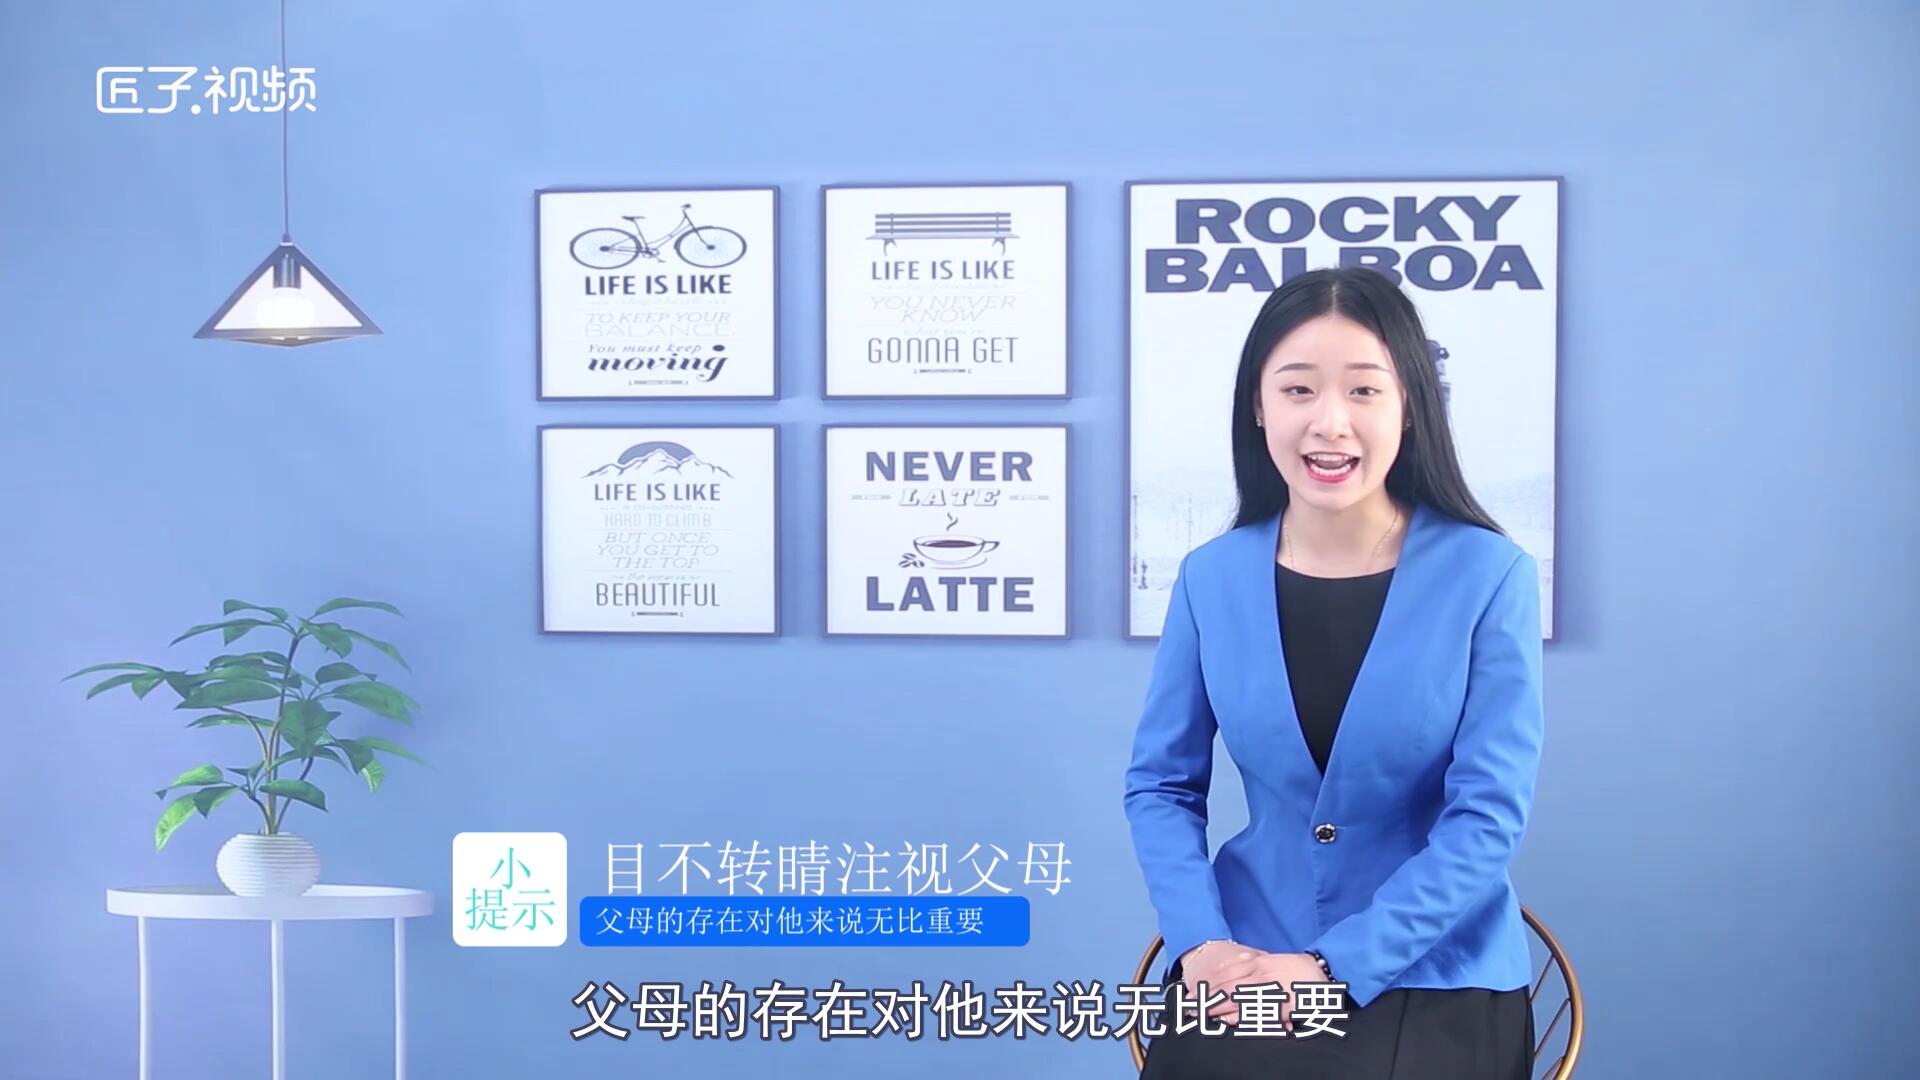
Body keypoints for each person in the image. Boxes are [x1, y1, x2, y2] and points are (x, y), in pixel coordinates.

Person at [1123, 266, 1545, 1078]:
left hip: (1434, 970)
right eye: (1298, 390)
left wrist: (1330, 969)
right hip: (1244, 962)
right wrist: (1200, 944)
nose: (1330, 422)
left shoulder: (1490, 576)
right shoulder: (1211, 578)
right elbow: (1160, 785)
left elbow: (1488, 816)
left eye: (1363, 390)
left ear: (1409, 404)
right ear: (1258, 406)